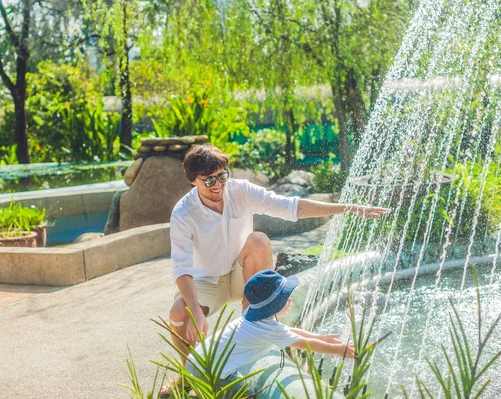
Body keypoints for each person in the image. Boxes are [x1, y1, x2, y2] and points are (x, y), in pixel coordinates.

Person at [161, 144, 388, 395]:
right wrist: (195, 310)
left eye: (222, 176)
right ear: (193, 181)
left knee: (258, 240)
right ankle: (189, 375)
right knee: (180, 313)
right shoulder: (183, 213)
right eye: (208, 180)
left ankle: (255, 329)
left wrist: (348, 208)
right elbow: (182, 269)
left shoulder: (240, 190)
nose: (217, 184)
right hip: (207, 282)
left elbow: (290, 206)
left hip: (242, 275)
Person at [184, 270, 356, 396]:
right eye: (285, 298)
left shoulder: (255, 318)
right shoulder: (267, 330)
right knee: (247, 393)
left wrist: (321, 337)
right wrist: (339, 350)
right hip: (209, 371)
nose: (290, 300)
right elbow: (305, 345)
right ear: (274, 306)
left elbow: (289, 330)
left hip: (197, 359)